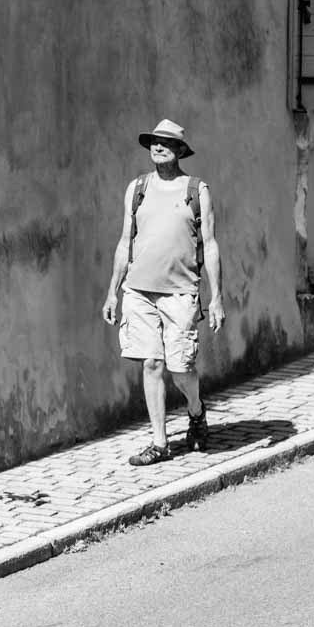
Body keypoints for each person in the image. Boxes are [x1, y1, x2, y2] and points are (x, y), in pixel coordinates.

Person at [102, 118, 224, 466]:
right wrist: (113, 292)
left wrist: (216, 297)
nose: (158, 147)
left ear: (180, 151)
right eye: (154, 141)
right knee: (152, 364)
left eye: (166, 143)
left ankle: (196, 411)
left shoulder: (196, 190)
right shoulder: (137, 187)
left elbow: (211, 245)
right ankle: (160, 443)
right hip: (139, 291)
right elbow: (125, 242)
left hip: (181, 293)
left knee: (181, 366)